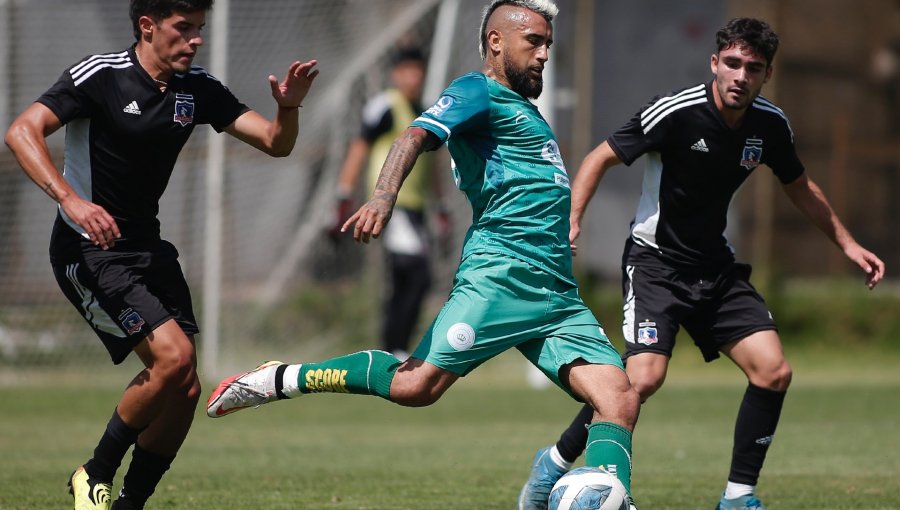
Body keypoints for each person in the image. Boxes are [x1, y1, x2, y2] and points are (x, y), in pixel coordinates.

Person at [206, 1, 641, 508]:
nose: (544, 53)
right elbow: (415, 136)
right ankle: (280, 378)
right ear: (497, 42)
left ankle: (576, 484)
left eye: (548, 44)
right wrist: (383, 197)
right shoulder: (476, 91)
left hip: (557, 293)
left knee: (619, 398)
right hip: (500, 278)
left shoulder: (526, 112)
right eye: (534, 42)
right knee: (415, 388)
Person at [517, 17, 886, 510]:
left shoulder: (770, 125)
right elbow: (598, 158)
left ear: (765, 75)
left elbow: (799, 186)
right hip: (655, 266)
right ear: (715, 63)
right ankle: (557, 462)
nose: (740, 75)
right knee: (642, 379)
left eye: (752, 68)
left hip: (715, 269)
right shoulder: (675, 112)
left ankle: (737, 497)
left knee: (773, 370)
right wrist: (572, 221)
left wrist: (847, 244)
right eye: (732, 63)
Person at [3, 1, 318, 509]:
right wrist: (72, 201)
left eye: (199, 29)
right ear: (147, 26)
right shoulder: (100, 75)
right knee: (175, 359)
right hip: (90, 249)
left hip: (147, 248)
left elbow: (275, 144)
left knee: (185, 389)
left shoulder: (198, 89)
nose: (195, 40)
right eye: (183, 28)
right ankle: (96, 471)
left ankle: (129, 503)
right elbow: (21, 131)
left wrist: (288, 105)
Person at [332, 46, 447, 360]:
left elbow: (432, 165)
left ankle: (390, 348)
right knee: (417, 273)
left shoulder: (425, 111)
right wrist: (344, 194)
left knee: (405, 278)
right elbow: (359, 148)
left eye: (418, 70)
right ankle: (395, 348)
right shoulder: (383, 107)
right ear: (395, 74)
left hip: (417, 208)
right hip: (390, 208)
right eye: (407, 70)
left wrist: (441, 207)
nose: (414, 77)